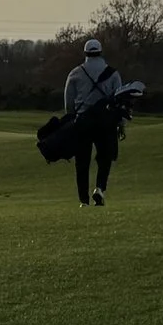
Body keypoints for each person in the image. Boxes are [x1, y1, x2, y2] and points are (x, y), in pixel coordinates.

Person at [61, 38, 143, 207]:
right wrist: (121, 124)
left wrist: (71, 119)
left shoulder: (75, 73)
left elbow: (69, 102)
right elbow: (120, 101)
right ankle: (99, 188)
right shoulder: (112, 73)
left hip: (83, 121)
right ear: (100, 52)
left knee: (82, 161)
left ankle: (83, 200)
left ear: (85, 53)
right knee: (105, 158)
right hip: (106, 121)